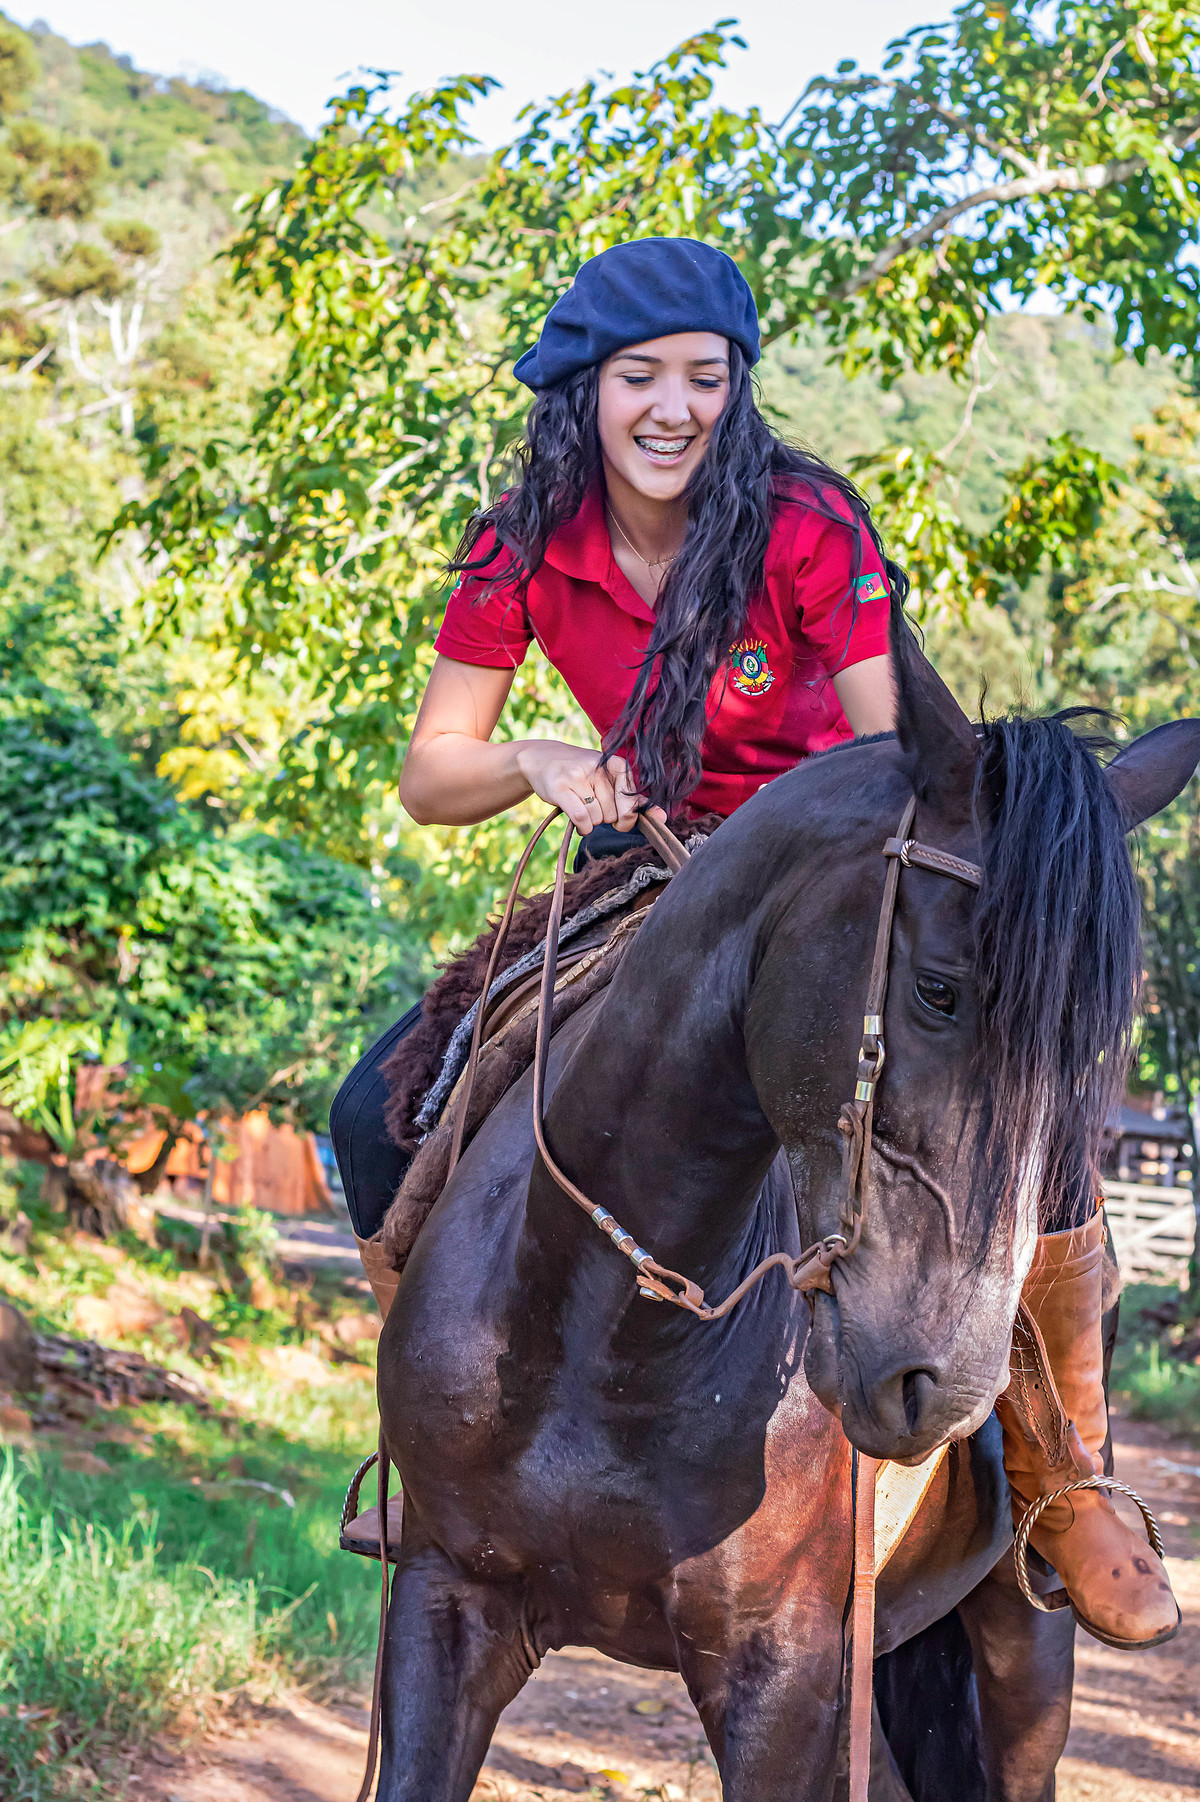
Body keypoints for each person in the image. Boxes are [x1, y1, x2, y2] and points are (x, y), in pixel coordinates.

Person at [330, 237, 1178, 1649]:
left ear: (739, 389)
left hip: (826, 883)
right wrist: (540, 761)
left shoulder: (804, 524)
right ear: (584, 394)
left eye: (705, 379)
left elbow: (889, 750)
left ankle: (1059, 1472)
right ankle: (445, 1453)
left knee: (1025, 1118)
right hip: (642, 873)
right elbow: (433, 774)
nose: (673, 408)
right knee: (378, 1105)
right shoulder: (522, 538)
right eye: (640, 378)